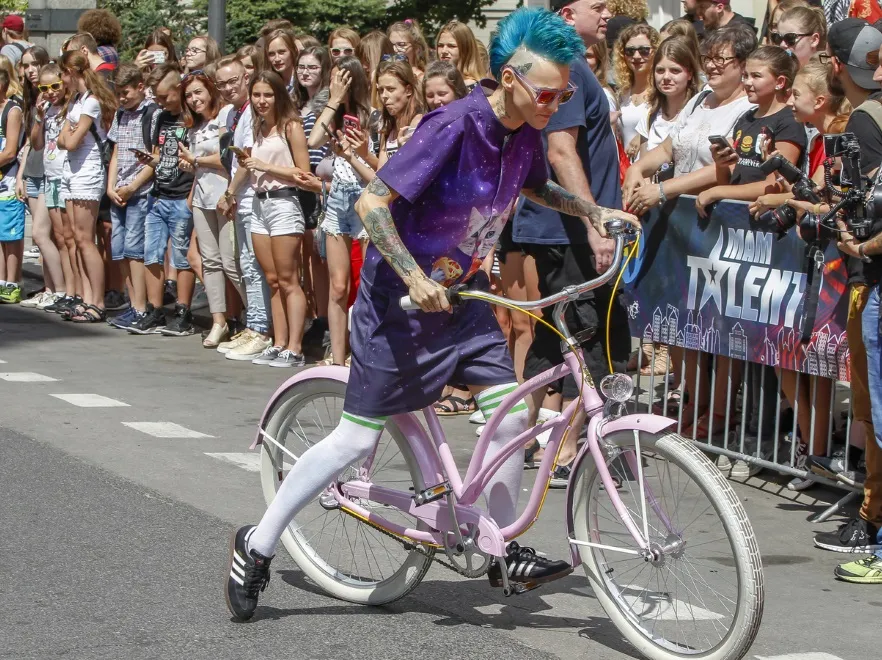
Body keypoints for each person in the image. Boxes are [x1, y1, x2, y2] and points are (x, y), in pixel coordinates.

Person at [224, 7, 638, 620]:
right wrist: (413, 277)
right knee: (350, 441)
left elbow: (533, 188)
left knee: (509, 411)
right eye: (548, 92)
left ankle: (499, 545)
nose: (557, 102)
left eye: (565, 92)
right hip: (399, 306)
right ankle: (256, 545)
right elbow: (371, 202)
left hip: (463, 300)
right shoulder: (454, 126)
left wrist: (591, 210)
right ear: (511, 81)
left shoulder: (522, 132)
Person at [515, 0, 628, 484]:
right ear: (567, 11)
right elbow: (561, 151)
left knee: (551, 338)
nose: (607, 14)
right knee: (594, 341)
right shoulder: (570, 67)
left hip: (559, 230)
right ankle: (569, 451)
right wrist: (594, 225)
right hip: (570, 234)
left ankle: (518, 439)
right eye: (597, 6)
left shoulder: (564, 63)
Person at [799, 18, 882, 582]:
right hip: (867, 276)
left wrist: (861, 240)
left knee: (878, 413)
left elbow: (870, 204)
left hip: (872, 279)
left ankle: (874, 525)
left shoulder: (868, 122)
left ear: (835, 65)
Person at [236, 70, 316, 368]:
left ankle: (295, 347)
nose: (261, 101)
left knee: (289, 279)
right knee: (272, 280)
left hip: (283, 203)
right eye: (256, 95)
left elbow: (303, 174)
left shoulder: (290, 126)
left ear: (279, 95)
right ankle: (278, 341)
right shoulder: (259, 127)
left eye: (267, 95)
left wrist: (265, 166)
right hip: (259, 204)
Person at [308, 56, 376, 366]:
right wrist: (334, 100)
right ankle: (337, 358)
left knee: (366, 284)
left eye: (341, 79)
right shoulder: (333, 112)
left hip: (364, 196)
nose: (335, 83)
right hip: (337, 199)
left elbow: (376, 162)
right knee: (338, 285)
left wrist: (354, 153)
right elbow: (314, 140)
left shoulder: (372, 116)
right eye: (333, 78)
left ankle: (362, 355)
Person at [128, 63, 196, 336]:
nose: (159, 102)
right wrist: (152, 161)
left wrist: (190, 198)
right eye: (155, 97)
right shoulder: (159, 117)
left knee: (181, 258)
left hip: (182, 196)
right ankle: (155, 310)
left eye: (164, 96)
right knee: (152, 255)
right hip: (159, 194)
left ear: (178, 89)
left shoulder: (191, 119)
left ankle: (183, 310)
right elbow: (160, 154)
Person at [179, 71, 244, 347]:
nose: (194, 99)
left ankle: (256, 319)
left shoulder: (225, 116)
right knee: (211, 262)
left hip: (225, 196)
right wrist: (191, 166)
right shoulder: (194, 126)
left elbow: (227, 158)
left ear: (210, 91)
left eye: (198, 92)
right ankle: (219, 321)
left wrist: (196, 159)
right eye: (189, 96)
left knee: (231, 262)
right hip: (202, 198)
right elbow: (199, 164)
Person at [214, 55, 274, 361]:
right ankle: (254, 325)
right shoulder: (232, 114)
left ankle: (261, 329)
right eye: (220, 83)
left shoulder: (252, 112)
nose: (226, 88)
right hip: (245, 198)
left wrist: (229, 191)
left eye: (232, 81)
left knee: (253, 267)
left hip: (255, 197)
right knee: (246, 265)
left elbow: (247, 159)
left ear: (245, 78)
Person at [56, 50, 117, 322]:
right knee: (76, 239)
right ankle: (85, 297)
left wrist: (68, 135)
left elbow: (69, 141)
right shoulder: (76, 101)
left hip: (87, 172)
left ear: (73, 72)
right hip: (71, 170)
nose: (61, 79)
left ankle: (97, 301)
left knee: (85, 239)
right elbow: (62, 139)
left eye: (63, 73)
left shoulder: (91, 102)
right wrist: (67, 135)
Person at [105, 63, 160, 331]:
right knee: (119, 250)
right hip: (119, 191)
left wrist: (132, 186)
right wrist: (111, 185)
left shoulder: (152, 113)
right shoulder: (121, 113)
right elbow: (116, 152)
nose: (122, 98)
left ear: (140, 86)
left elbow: (155, 159)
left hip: (140, 192)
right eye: (119, 93)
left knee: (134, 250)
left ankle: (141, 307)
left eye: (126, 92)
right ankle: (131, 304)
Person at [17, 47, 64, 309]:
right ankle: (49, 288)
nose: (30, 70)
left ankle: (61, 290)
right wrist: (21, 174)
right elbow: (30, 142)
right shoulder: (32, 99)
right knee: (42, 234)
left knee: (41, 234)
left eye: (35, 64)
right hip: (34, 168)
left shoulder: (55, 98)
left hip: (51, 171)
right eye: (25, 66)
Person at [35, 63, 79, 315]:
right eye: (44, 88)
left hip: (65, 177)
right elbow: (37, 143)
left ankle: (72, 290)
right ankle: (64, 290)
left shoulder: (70, 109)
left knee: (70, 237)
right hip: (49, 176)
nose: (50, 92)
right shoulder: (47, 110)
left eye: (54, 86)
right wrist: (40, 118)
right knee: (60, 239)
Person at [614, 24, 660, 160]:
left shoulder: (662, 91)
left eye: (644, 50)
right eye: (630, 51)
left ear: (656, 51)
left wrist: (641, 135)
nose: (636, 56)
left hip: (653, 172)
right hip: (625, 171)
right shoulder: (621, 93)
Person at [0, 68, 24, 304]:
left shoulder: (12, 110)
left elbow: (9, 151)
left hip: (8, 180)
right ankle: (0, 281)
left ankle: (12, 282)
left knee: (10, 233)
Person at [375, 59, 423, 165]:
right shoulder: (388, 122)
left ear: (408, 90)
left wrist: (403, 153)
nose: (384, 96)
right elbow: (380, 174)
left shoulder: (418, 122)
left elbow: (415, 169)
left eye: (390, 89)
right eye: (381, 90)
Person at [435, 20, 484, 88]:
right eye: (440, 45)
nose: (444, 51)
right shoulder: (433, 82)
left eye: (451, 46)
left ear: (466, 49)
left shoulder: (475, 88)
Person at [264, 29, 298, 96]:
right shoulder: (269, 83)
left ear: (293, 51)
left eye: (281, 52)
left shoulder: (303, 82)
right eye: (271, 54)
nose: (277, 59)